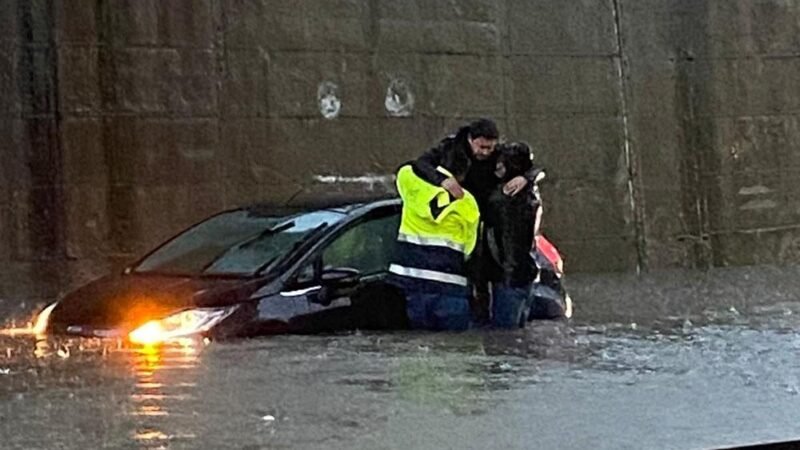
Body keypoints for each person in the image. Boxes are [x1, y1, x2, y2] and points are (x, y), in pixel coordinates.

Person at [409, 119, 539, 323]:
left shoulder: (502, 155)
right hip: (462, 222)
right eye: (482, 147)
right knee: (475, 286)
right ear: (470, 140)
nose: (486, 152)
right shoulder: (450, 149)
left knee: (495, 284)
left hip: (490, 222)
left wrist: (526, 178)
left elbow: (534, 168)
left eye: (491, 147)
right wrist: (442, 180)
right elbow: (419, 164)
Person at [388, 164, 480, 331]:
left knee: (412, 348)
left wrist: (439, 178)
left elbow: (408, 168)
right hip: (451, 294)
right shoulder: (468, 204)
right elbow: (469, 249)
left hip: (411, 289)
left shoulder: (413, 189)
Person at [483, 142, 538, 328]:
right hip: (526, 274)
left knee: (503, 338)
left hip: (507, 278)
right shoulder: (531, 194)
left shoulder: (499, 199)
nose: (496, 167)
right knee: (516, 336)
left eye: (501, 163)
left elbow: (495, 241)